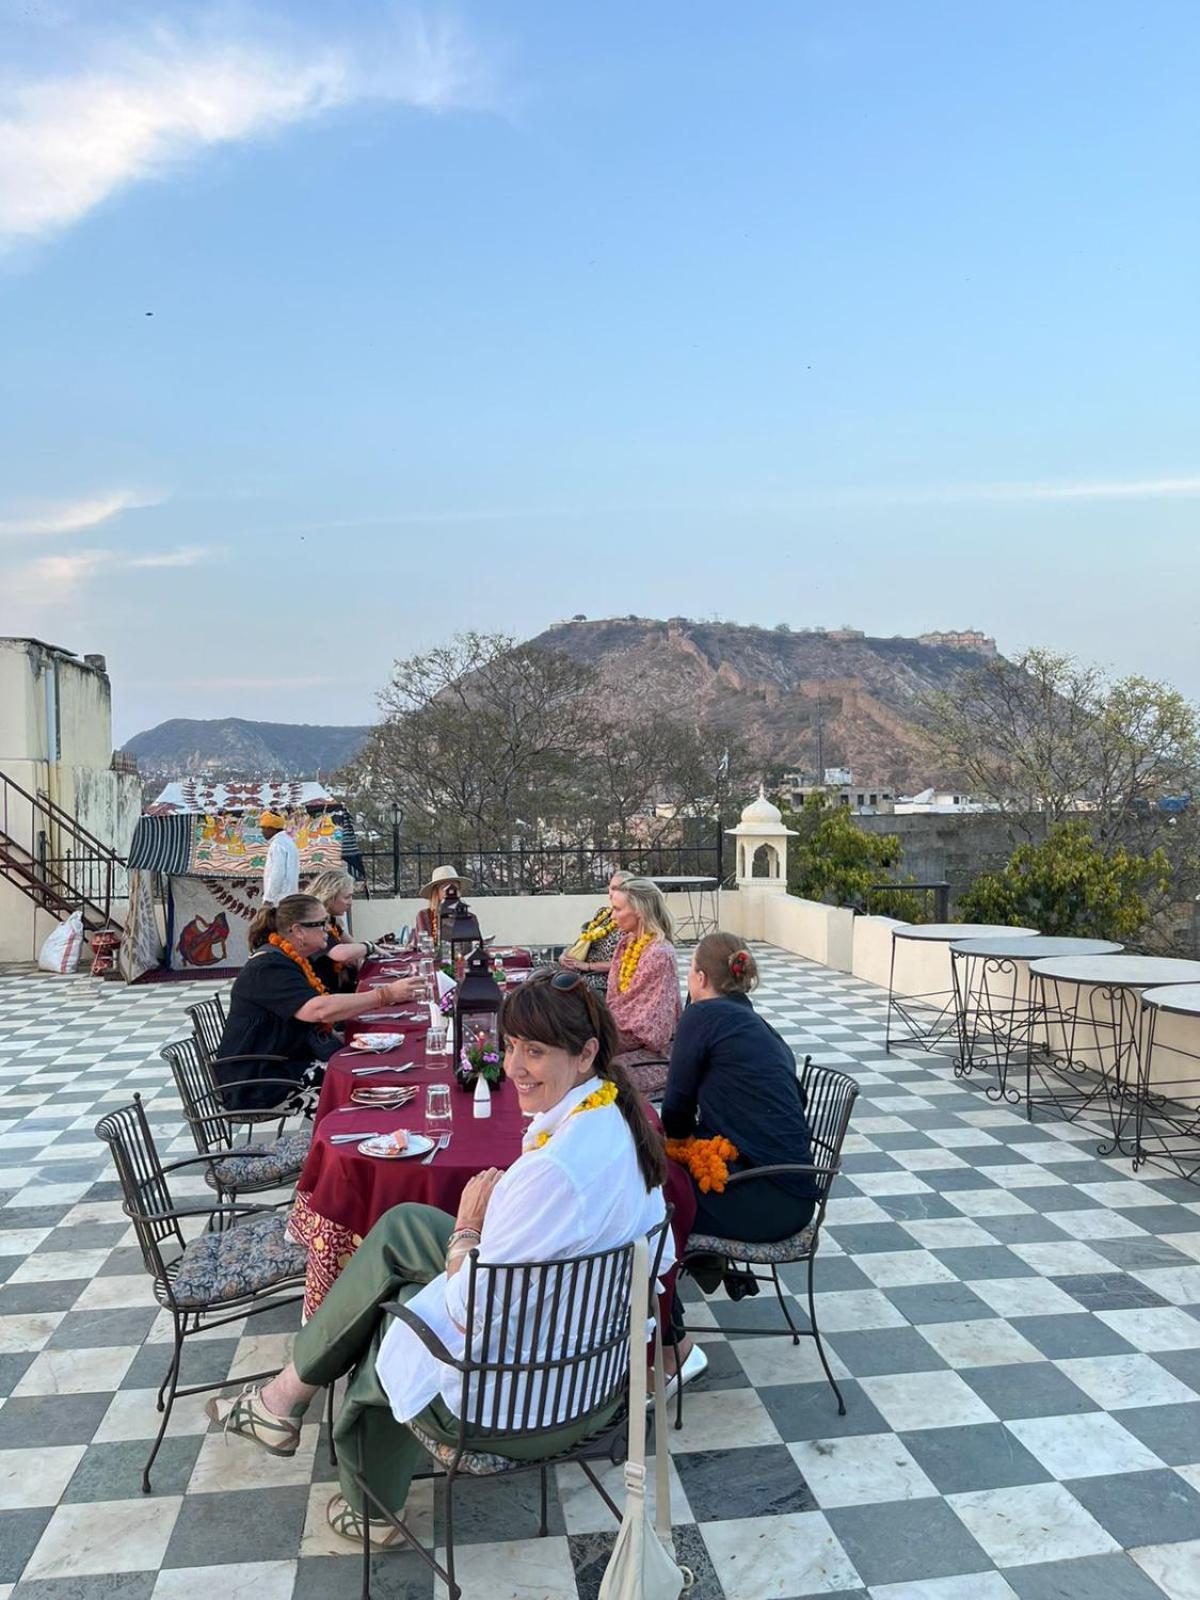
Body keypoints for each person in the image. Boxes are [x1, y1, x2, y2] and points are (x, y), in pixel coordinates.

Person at [209, 971, 674, 1547]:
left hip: (530, 1396)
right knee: (404, 1224)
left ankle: (367, 1507)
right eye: (509, 1047)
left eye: (535, 1052)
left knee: (396, 1313)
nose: (514, 1068)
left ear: (585, 1055)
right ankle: (284, 1397)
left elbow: (468, 1310)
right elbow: (659, 1254)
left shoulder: (554, 1172)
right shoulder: (619, 1123)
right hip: (595, 1368)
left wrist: (468, 1231)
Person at [663, 932, 819, 1305]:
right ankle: (706, 1270)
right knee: (666, 1179)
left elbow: (676, 1113)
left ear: (700, 979)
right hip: (794, 1193)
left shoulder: (702, 1016)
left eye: (690, 971)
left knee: (649, 1201)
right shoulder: (754, 1023)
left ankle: (669, 1335)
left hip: (766, 1197)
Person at [215, 894, 423, 1111]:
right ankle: (364, 1135)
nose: (328, 929)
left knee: (374, 1063)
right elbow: (318, 1010)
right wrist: (385, 995)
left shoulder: (288, 959)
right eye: (321, 924)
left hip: (286, 1059)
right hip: (257, 1079)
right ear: (297, 931)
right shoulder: (267, 967)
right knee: (362, 1082)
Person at [605, 877, 681, 1092]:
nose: (613, 916)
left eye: (618, 909)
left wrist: (599, 1039)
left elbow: (651, 1032)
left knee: (594, 1070)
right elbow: (614, 1003)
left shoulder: (659, 954)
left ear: (640, 911)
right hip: (619, 1041)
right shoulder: (625, 943)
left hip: (657, 1056)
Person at [558, 868, 633, 992]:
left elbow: (625, 963)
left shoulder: (630, 921)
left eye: (618, 889)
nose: (612, 893)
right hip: (579, 968)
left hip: (602, 977)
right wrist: (565, 955)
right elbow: (582, 941)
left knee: (554, 987)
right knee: (537, 974)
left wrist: (588, 966)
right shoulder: (603, 913)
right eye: (611, 888)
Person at [306, 869, 375, 991]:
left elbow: (353, 945)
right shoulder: (314, 924)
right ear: (329, 897)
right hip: (324, 994)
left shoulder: (332, 922)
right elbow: (340, 953)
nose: (350, 903)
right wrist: (370, 947)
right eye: (347, 897)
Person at [413, 864, 470, 948]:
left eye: (454, 887)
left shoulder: (469, 917)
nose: (449, 892)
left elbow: (472, 944)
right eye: (444, 888)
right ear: (436, 893)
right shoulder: (424, 916)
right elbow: (426, 946)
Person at [260, 809, 299, 905]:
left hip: (279, 898)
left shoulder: (277, 844)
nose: (262, 832)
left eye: (264, 828)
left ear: (272, 828)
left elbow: (277, 873)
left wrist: (269, 899)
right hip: (289, 896)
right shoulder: (288, 841)